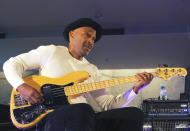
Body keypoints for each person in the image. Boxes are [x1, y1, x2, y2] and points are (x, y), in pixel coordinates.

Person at [3, 18, 153, 131]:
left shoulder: (91, 69)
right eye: (87, 35)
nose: (91, 41)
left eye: (93, 39)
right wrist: (21, 86)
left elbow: (107, 105)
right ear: (72, 34)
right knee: (83, 109)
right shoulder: (51, 52)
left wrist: (135, 89)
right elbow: (11, 64)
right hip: (52, 116)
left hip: (84, 119)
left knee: (134, 114)